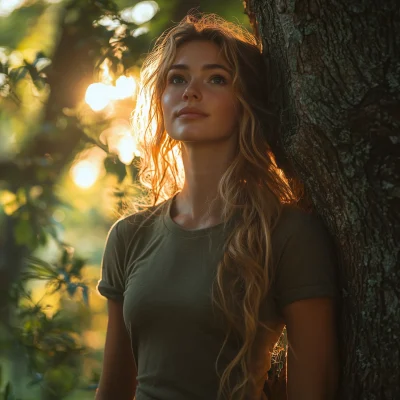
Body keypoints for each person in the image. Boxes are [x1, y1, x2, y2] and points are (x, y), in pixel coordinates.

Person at [95, 12, 340, 400]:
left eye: (216, 78)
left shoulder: (288, 234)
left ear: (246, 102)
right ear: (160, 98)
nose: (190, 91)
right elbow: (112, 390)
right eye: (177, 78)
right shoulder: (129, 236)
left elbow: (314, 389)